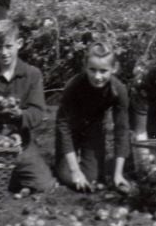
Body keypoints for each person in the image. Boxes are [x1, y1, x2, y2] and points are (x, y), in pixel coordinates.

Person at [0, 19, 55, 192]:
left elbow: (38, 113)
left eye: (8, 46)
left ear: (19, 44)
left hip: (22, 145)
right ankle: (7, 177)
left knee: (44, 185)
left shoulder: (32, 74)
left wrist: (20, 116)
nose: (4, 52)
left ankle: (12, 175)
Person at [55, 42, 131, 193]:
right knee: (68, 177)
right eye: (92, 70)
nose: (97, 76)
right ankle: (63, 163)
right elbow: (63, 126)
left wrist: (118, 174)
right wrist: (75, 170)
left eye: (103, 71)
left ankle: (87, 163)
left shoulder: (118, 90)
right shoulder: (74, 86)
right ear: (85, 67)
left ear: (113, 69)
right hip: (71, 129)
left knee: (92, 179)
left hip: (94, 129)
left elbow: (122, 131)